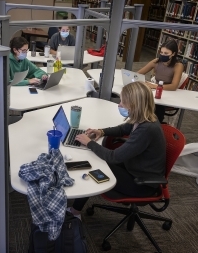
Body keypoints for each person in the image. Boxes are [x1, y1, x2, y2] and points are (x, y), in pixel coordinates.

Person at [66, 82, 166, 219]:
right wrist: (101, 131)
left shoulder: (147, 129)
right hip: (133, 167)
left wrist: (89, 143)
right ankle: (75, 206)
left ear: (135, 105)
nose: (119, 104)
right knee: (96, 159)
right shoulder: (143, 118)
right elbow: (123, 129)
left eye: (123, 102)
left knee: (94, 166)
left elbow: (114, 157)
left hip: (141, 182)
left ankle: (75, 211)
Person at [137, 39, 184, 123]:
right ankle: (140, 122)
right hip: (156, 90)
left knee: (156, 107)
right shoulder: (156, 61)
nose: (163, 55)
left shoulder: (178, 65)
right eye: (161, 52)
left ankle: (155, 124)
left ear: (173, 54)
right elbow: (139, 73)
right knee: (139, 99)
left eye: (166, 53)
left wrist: (155, 86)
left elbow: (174, 86)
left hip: (168, 92)